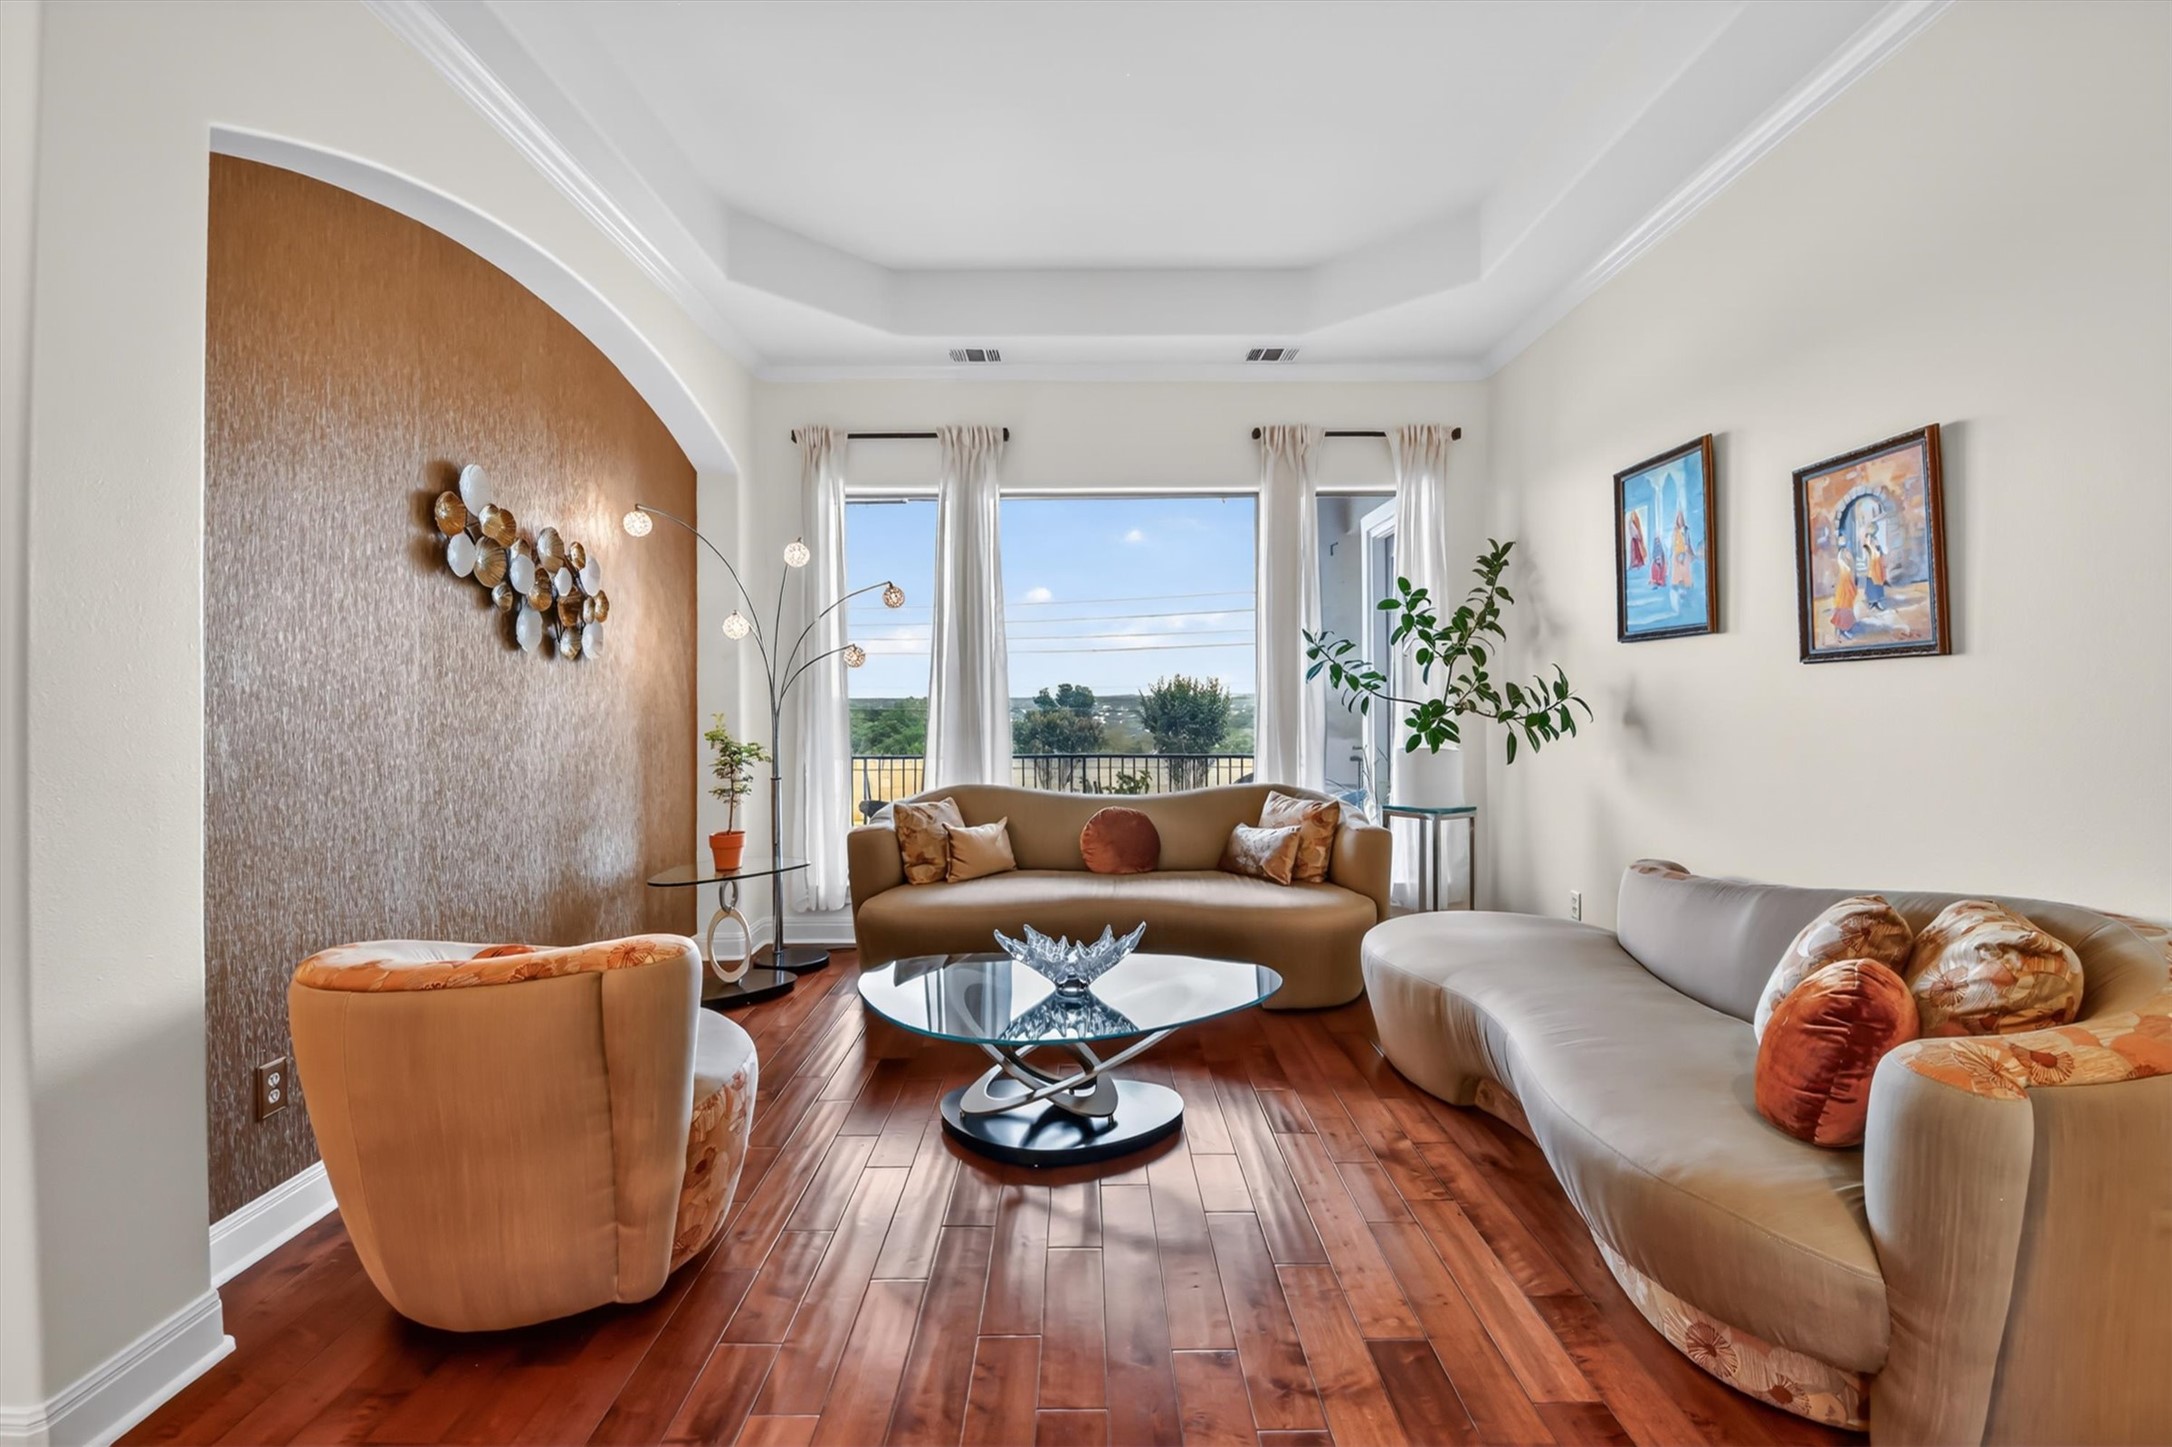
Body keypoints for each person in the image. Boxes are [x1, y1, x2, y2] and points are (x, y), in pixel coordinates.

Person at [1830, 547, 1859, 639]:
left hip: (1846, 591)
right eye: (1847, 553)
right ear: (1843, 554)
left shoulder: (1846, 565)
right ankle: (1844, 630)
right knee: (1844, 610)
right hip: (1844, 592)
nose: (1849, 554)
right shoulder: (1843, 565)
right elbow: (1843, 580)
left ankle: (1841, 629)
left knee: (1845, 610)